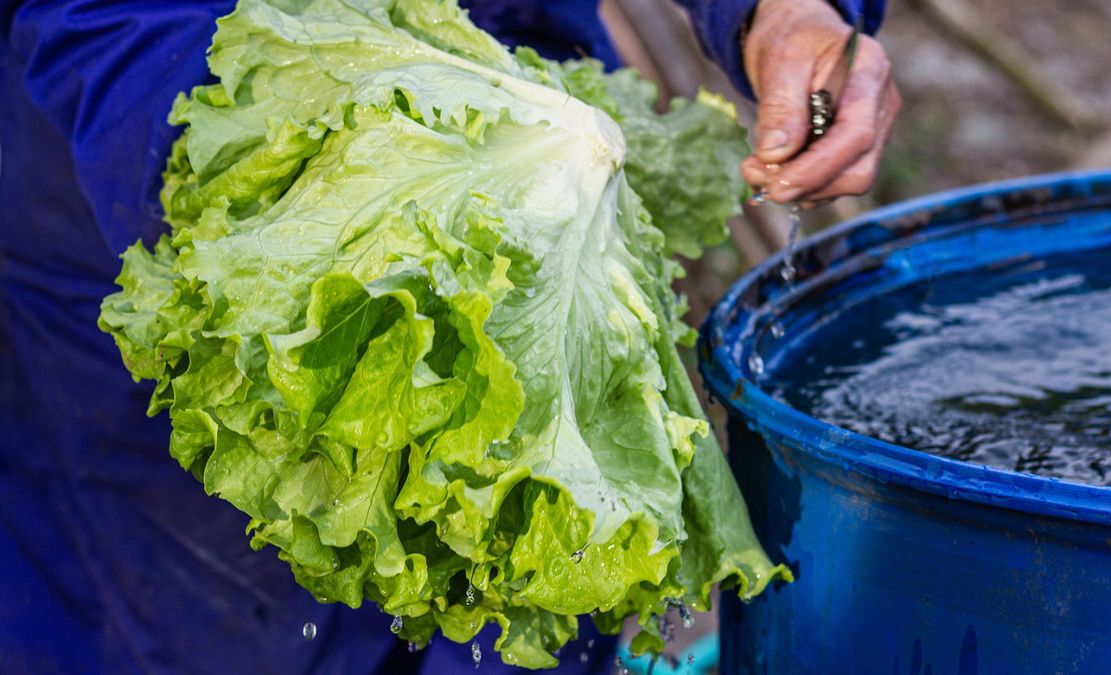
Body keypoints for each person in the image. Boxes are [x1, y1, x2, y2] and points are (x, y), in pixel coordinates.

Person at [0, 0, 897, 672]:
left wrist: (782, 11)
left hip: (522, 194)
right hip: (178, 195)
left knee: (524, 587)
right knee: (206, 621)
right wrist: (307, 174)